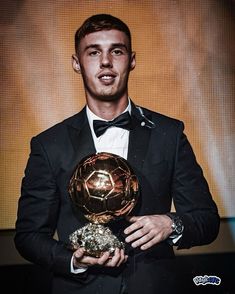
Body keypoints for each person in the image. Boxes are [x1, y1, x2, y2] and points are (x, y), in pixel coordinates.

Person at [14, 14, 220, 294]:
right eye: (93, 52)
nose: (106, 61)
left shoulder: (169, 134)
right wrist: (73, 260)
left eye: (117, 51)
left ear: (131, 60)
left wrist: (172, 223)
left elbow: (206, 220)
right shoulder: (49, 145)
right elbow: (28, 236)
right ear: (77, 63)